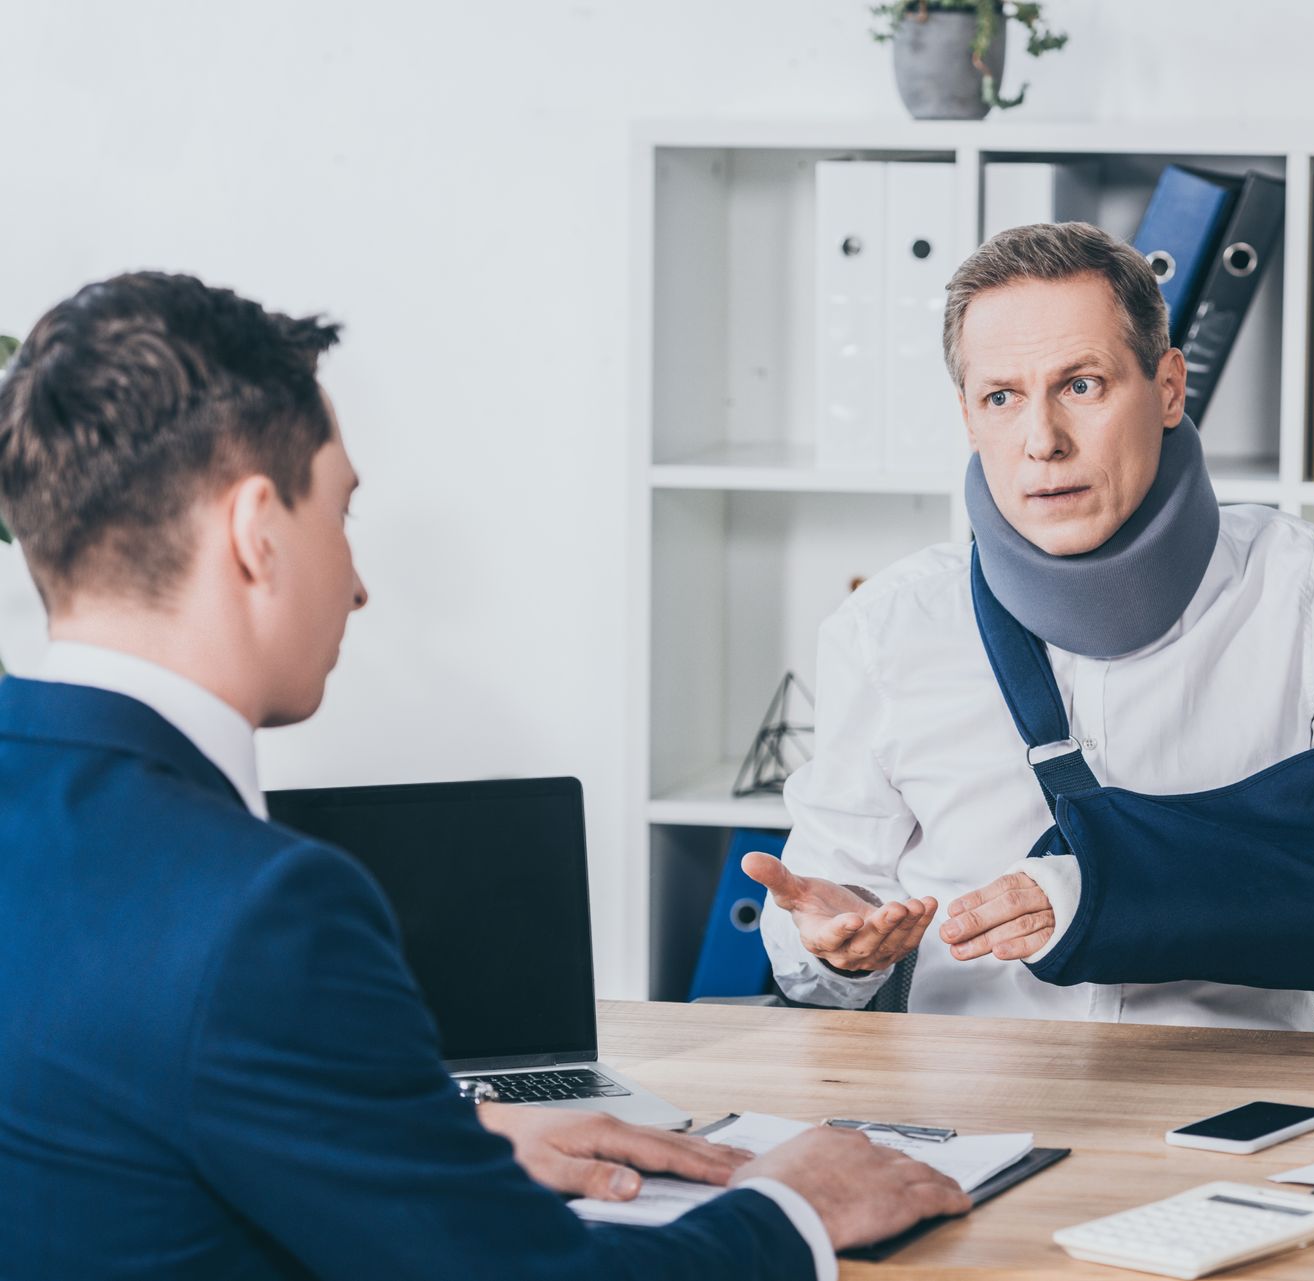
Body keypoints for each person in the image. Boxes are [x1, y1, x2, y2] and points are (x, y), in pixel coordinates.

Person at [0, 272, 968, 1281]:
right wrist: (792, 1209)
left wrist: (444, 1150)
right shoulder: (262, 914)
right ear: (256, 535)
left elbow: (114, 1127)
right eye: (342, 512)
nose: (360, 582)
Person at [752, 221, 1314, 1029]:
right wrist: (833, 943)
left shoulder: (1302, 591)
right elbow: (820, 943)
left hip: (1230, 1112)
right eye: (1002, 397)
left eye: (1082, 385)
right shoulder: (885, 629)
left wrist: (1090, 888)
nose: (1043, 442)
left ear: (1170, 387)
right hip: (968, 1114)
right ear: (968, 418)